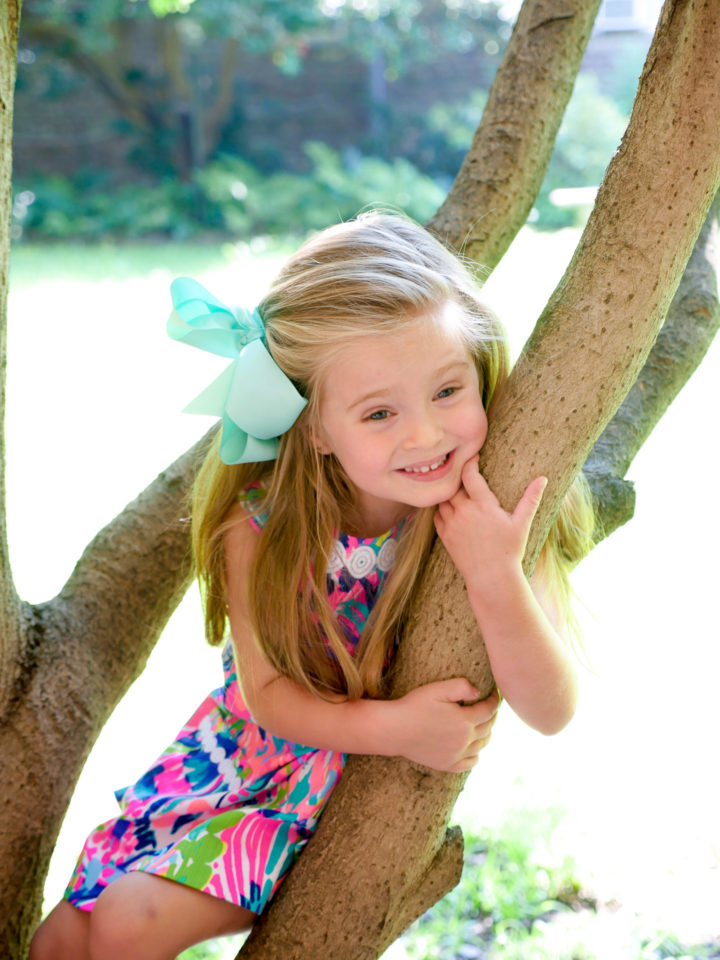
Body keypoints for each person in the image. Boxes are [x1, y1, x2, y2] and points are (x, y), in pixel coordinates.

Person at [30, 212, 593, 960]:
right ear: (316, 427)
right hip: (220, 761)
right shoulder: (262, 525)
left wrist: (495, 574)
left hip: (314, 794)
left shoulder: (490, 516)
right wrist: (396, 727)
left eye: (449, 390)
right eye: (380, 413)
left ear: (482, 370)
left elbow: (552, 709)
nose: (425, 435)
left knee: (129, 923)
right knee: (62, 939)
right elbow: (265, 695)